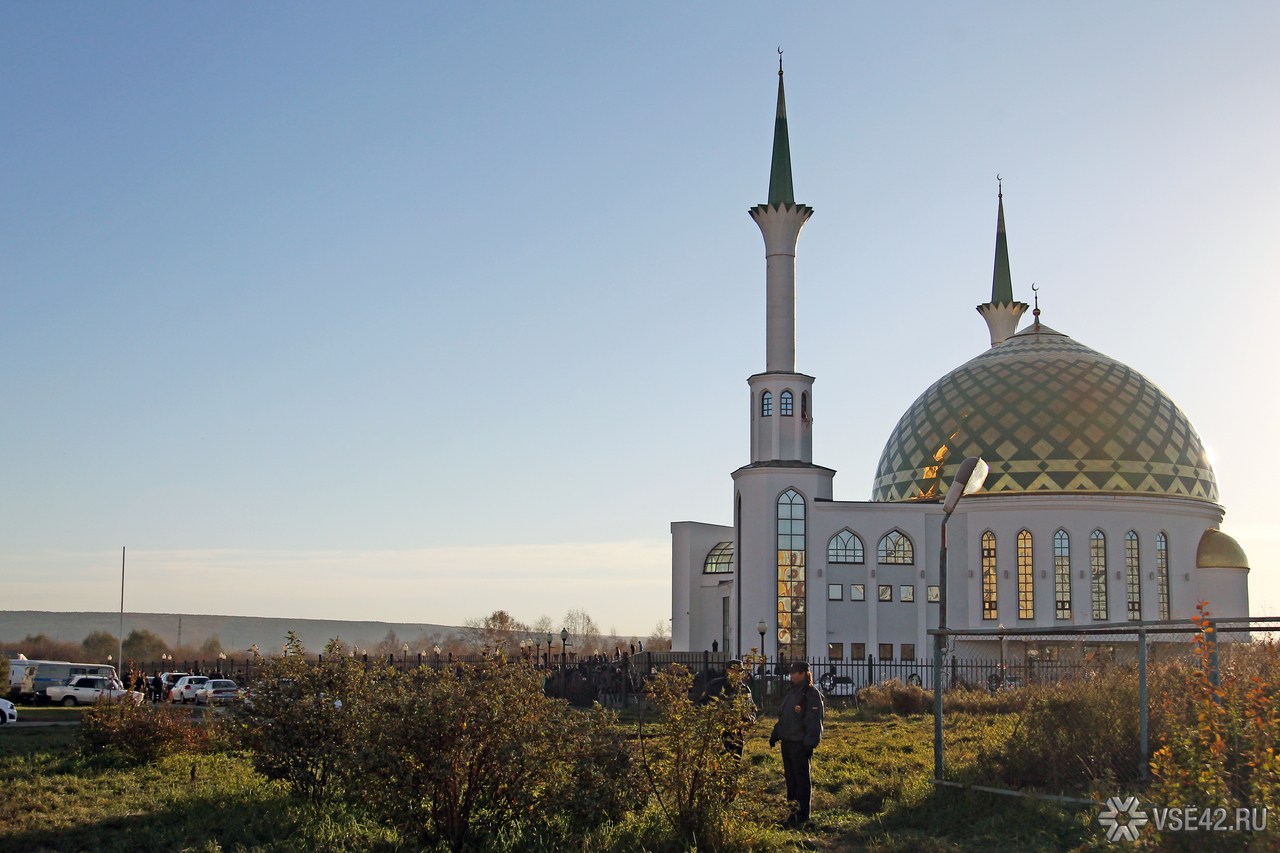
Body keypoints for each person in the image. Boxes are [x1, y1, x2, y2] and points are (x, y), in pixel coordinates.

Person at [769, 660, 824, 827]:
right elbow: (785, 716)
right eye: (791, 673)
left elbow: (814, 721)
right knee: (791, 781)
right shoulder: (791, 692)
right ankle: (791, 813)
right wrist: (776, 733)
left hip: (800, 743)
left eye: (794, 673)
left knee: (801, 781)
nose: (791, 675)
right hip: (787, 741)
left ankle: (802, 815)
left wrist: (810, 744)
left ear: (803, 674)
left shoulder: (811, 694)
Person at [699, 659, 755, 756]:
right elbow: (702, 705)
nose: (738, 674)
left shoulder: (744, 689)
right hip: (719, 731)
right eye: (735, 670)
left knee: (736, 764)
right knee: (719, 762)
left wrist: (749, 719)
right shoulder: (715, 686)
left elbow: (752, 708)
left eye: (740, 671)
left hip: (737, 733)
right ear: (728, 670)